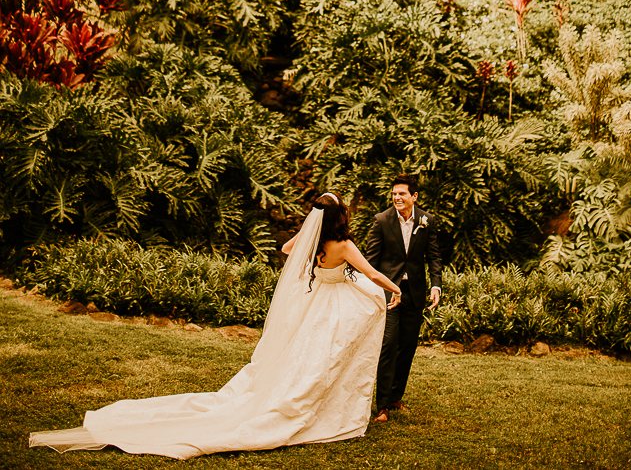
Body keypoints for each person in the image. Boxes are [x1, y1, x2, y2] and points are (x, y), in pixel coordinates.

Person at [29, 193, 402, 460]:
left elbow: (289, 251)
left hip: (315, 304)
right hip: (333, 306)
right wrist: (394, 287)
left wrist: (306, 237)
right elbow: (370, 272)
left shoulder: (317, 242)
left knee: (305, 358)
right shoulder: (342, 243)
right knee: (324, 359)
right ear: (340, 217)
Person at [365, 174, 442, 423]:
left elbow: (433, 256)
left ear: (414, 197)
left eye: (402, 194)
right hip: (389, 292)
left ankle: (396, 398)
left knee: (407, 347)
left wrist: (436, 285)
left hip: (415, 292)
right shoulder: (382, 221)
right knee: (388, 345)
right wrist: (370, 291)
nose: (397, 197)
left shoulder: (426, 220)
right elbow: (371, 261)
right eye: (394, 193)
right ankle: (383, 405)